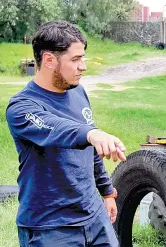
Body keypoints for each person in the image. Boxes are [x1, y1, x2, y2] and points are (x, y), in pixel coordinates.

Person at [6, 21, 126, 247]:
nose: (83, 66)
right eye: (75, 59)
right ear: (50, 60)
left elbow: (90, 149)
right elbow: (57, 127)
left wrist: (107, 192)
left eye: (83, 58)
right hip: (50, 227)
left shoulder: (78, 92)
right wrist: (92, 133)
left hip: (94, 216)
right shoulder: (21, 107)